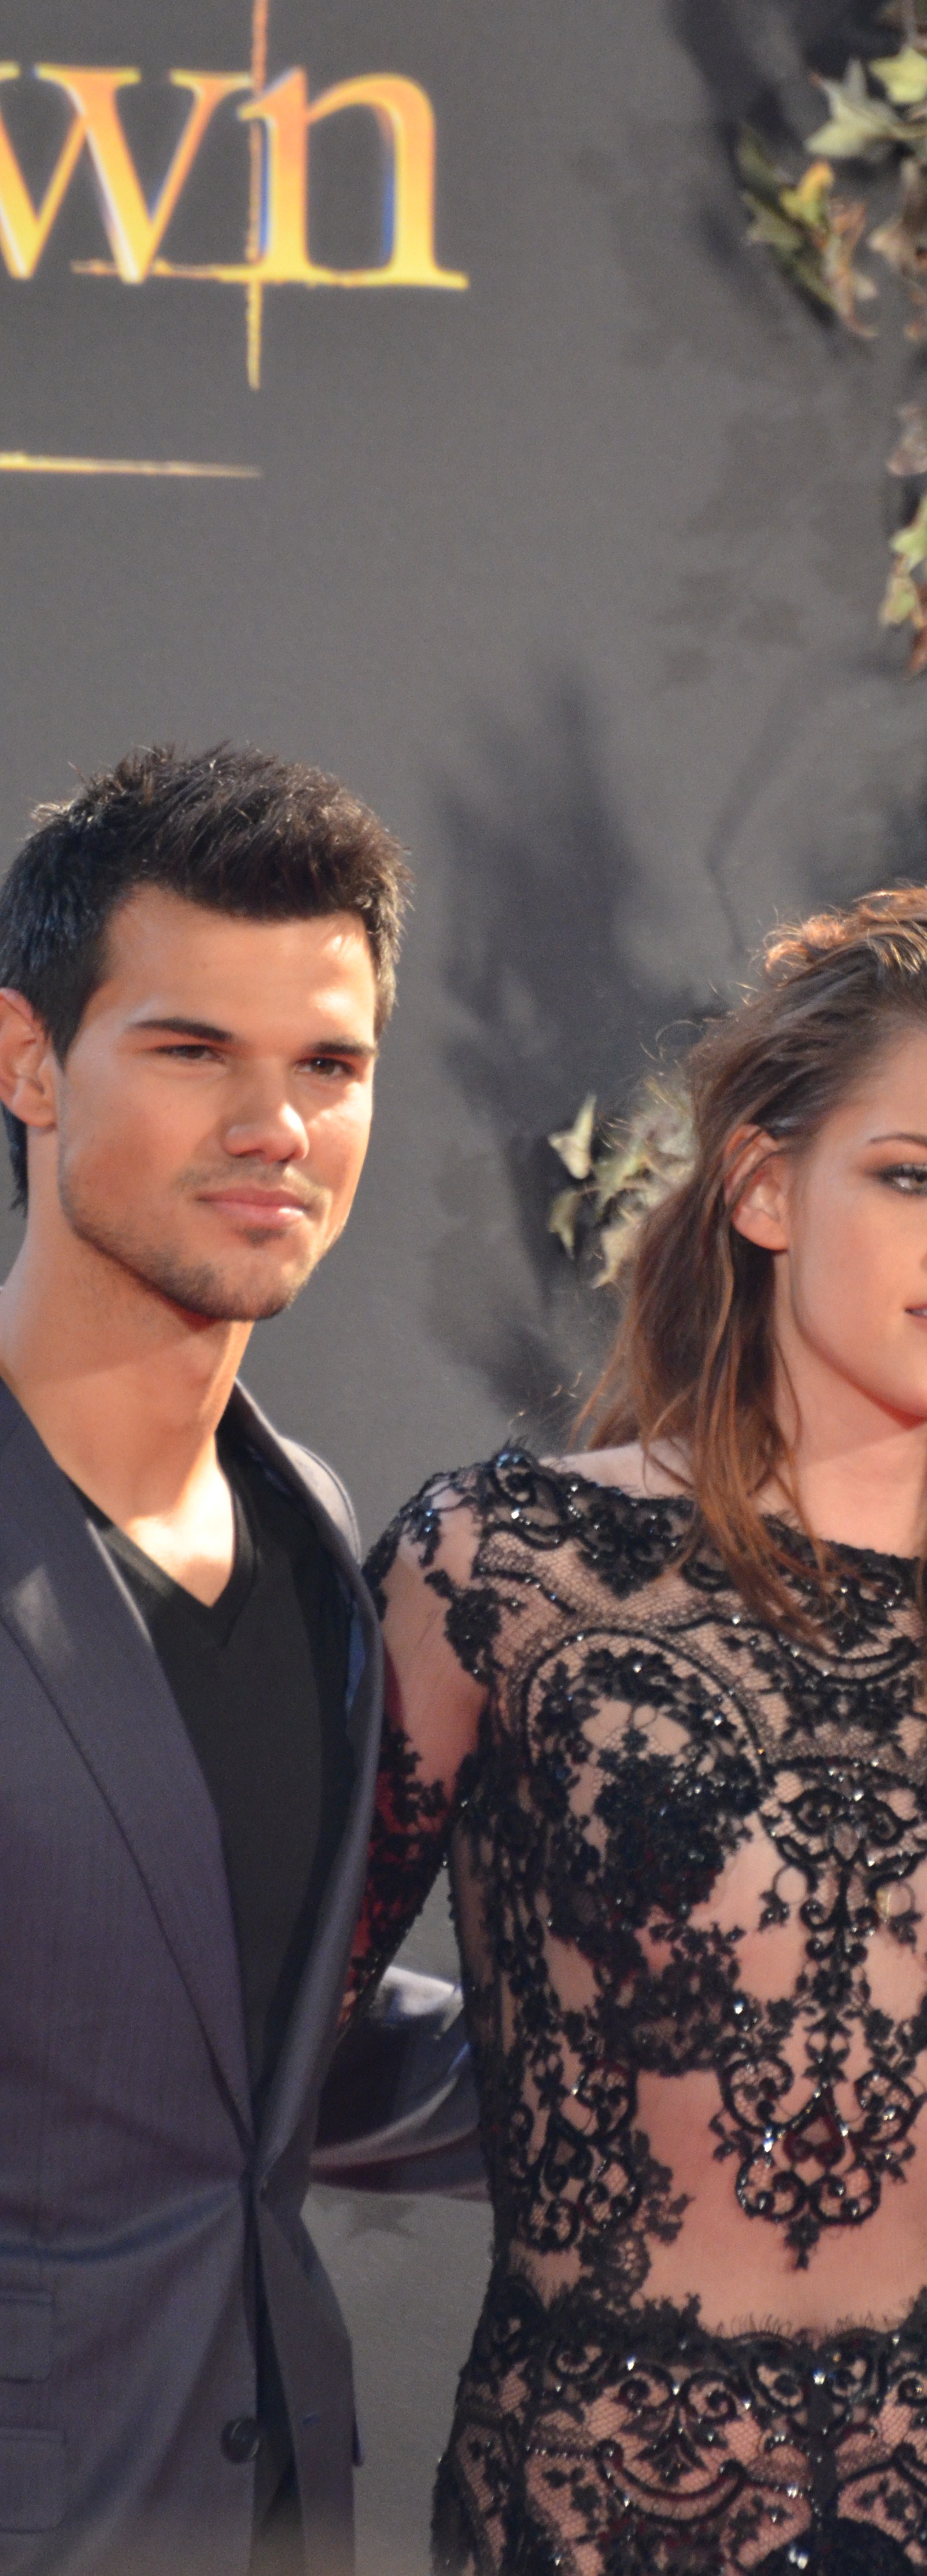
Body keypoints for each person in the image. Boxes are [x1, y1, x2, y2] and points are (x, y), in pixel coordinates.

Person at [352, 888, 927, 2576]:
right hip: (592, 2526)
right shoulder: (504, 1573)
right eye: (915, 1177)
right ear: (762, 1186)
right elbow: (251, 2056)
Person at [0, 745, 412, 2576]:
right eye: (191, 1051)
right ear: (26, 1063)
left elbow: (238, 2047)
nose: (276, 1127)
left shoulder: (312, 1525)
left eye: (327, 1065)